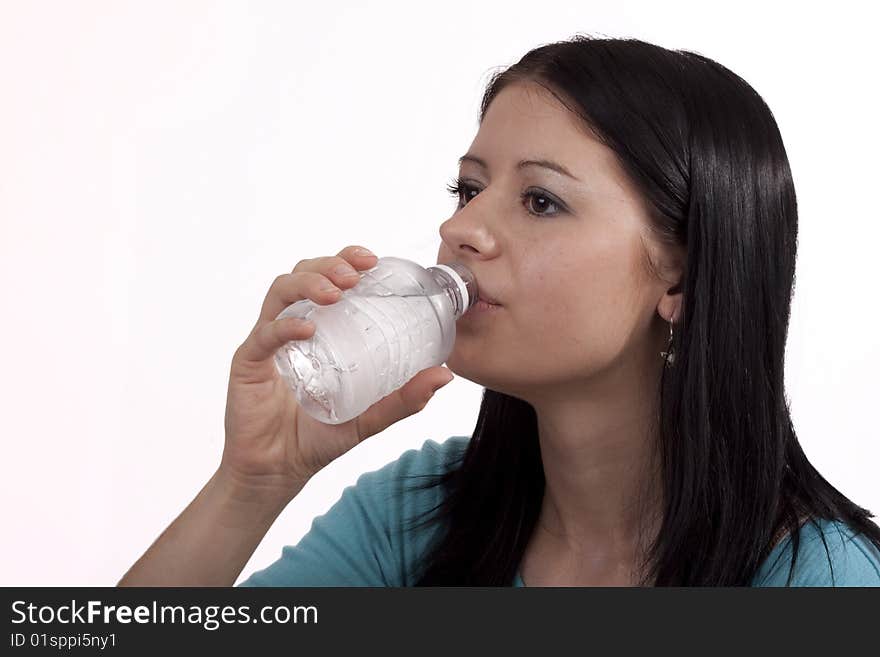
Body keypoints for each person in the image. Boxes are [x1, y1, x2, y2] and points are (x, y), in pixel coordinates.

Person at [119, 35, 880, 587]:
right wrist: (253, 481)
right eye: (469, 188)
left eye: (541, 200)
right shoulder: (414, 519)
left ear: (680, 278)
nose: (461, 229)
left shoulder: (819, 579)